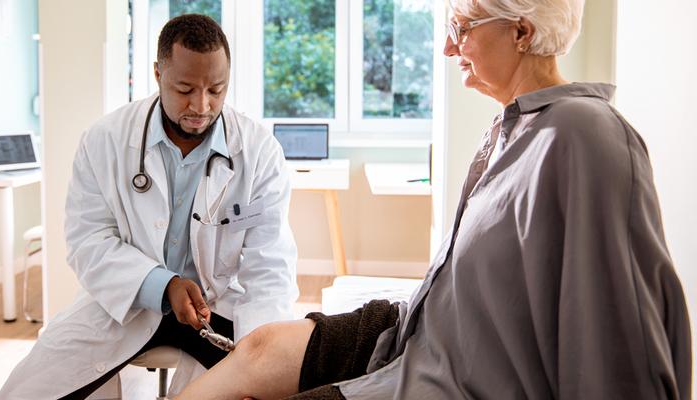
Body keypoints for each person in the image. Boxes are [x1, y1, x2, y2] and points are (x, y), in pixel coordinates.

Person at [172, 0, 693, 399]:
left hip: (452, 379)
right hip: (411, 333)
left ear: (522, 32)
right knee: (257, 349)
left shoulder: (583, 134)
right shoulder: (514, 127)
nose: (447, 48)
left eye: (461, 28)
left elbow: (620, 339)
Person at [0, 14, 299, 399]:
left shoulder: (258, 152)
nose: (202, 105)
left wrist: (263, 352)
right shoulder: (105, 140)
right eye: (185, 89)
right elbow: (88, 239)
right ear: (158, 74)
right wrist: (163, 285)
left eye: (216, 90)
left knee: (269, 386)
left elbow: (269, 263)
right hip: (125, 303)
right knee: (29, 390)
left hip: (219, 305)